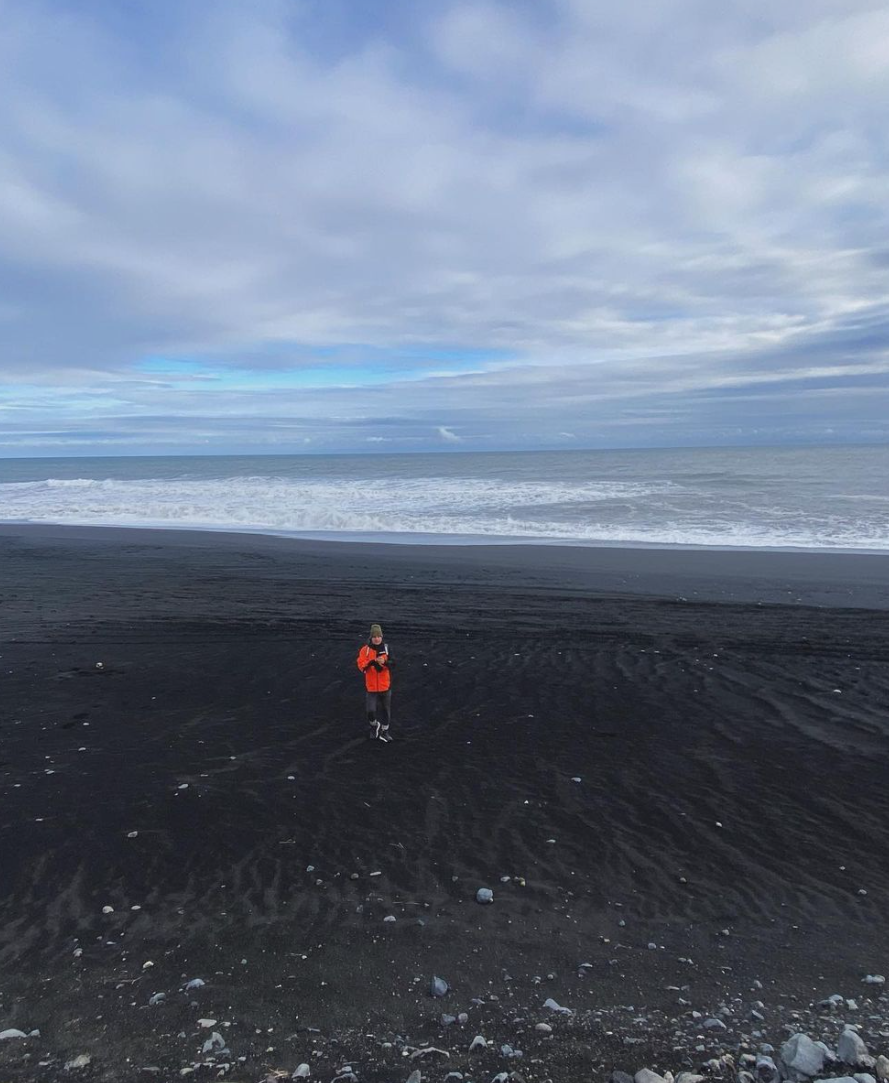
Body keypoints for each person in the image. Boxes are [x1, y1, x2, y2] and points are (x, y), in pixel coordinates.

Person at [357, 623, 393, 741]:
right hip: (371, 687)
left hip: (384, 686)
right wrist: (371, 662)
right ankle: (374, 726)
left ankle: (385, 732)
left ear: (382, 637)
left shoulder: (387, 649)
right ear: (371, 638)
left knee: (386, 711)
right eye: (374, 636)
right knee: (370, 711)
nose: (377, 638)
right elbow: (361, 665)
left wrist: (385, 662)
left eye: (379, 636)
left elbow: (394, 663)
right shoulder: (365, 650)